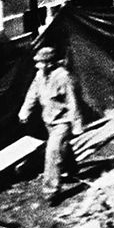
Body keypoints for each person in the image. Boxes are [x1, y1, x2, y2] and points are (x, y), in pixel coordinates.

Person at [20, 45, 85, 203]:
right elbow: (32, 94)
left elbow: (73, 101)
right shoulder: (39, 75)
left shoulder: (63, 77)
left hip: (62, 123)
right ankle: (71, 169)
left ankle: (51, 191)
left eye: (41, 63)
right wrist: (25, 111)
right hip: (49, 121)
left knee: (52, 152)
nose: (37, 65)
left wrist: (77, 125)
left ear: (50, 63)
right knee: (62, 148)